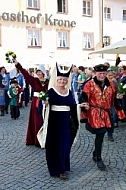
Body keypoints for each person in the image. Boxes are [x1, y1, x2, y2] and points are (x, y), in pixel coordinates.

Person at [37, 63, 85, 179]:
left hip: (65, 123)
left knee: (65, 145)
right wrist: (45, 104)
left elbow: (72, 106)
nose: (62, 81)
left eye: (64, 80)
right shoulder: (52, 91)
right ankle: (58, 169)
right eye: (60, 80)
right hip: (54, 123)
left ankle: (64, 166)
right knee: (54, 145)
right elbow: (42, 106)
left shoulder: (69, 92)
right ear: (57, 80)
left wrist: (80, 106)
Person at [80, 64, 125, 170]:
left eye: (104, 74)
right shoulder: (89, 84)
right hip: (94, 113)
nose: (102, 75)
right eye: (100, 73)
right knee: (100, 133)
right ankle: (99, 158)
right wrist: (85, 110)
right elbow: (83, 98)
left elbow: (114, 99)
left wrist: (119, 100)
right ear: (95, 74)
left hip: (106, 113)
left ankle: (96, 153)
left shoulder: (111, 85)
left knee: (102, 133)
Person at [14, 60, 49, 147]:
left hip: (46, 102)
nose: (39, 73)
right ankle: (37, 140)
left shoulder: (48, 82)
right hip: (36, 103)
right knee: (37, 120)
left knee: (45, 120)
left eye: (40, 72)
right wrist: (18, 65)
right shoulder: (34, 80)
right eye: (38, 72)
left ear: (43, 72)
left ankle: (45, 138)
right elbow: (26, 74)